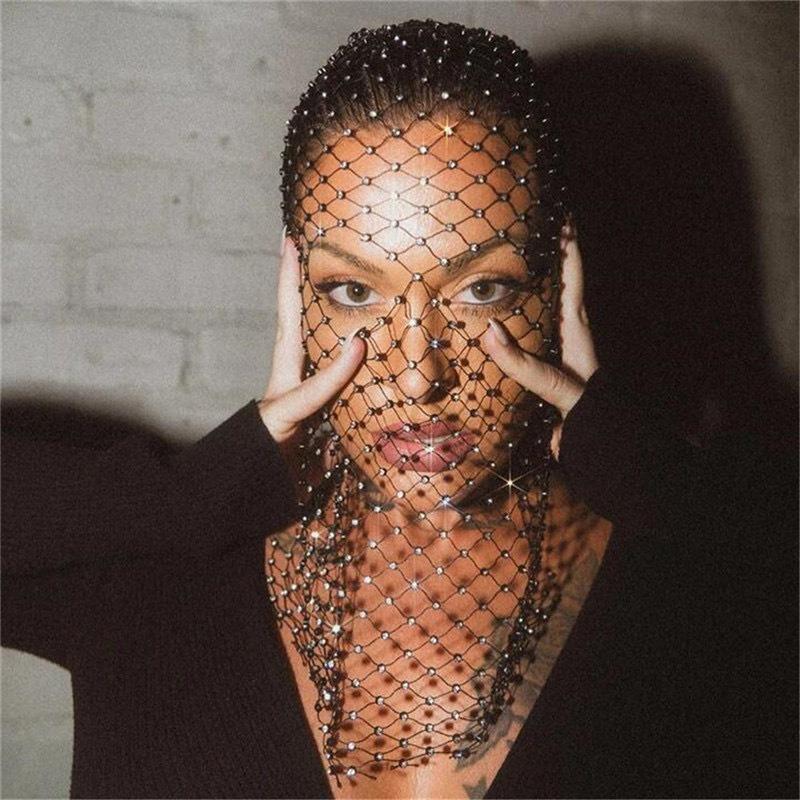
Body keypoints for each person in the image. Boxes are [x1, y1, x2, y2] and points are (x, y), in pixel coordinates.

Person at [2, 19, 795, 800]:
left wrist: (672, 495)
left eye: (482, 289)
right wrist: (189, 493)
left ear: (557, 282)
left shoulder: (697, 591)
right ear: (297, 290)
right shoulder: (153, 570)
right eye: (355, 291)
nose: (418, 376)